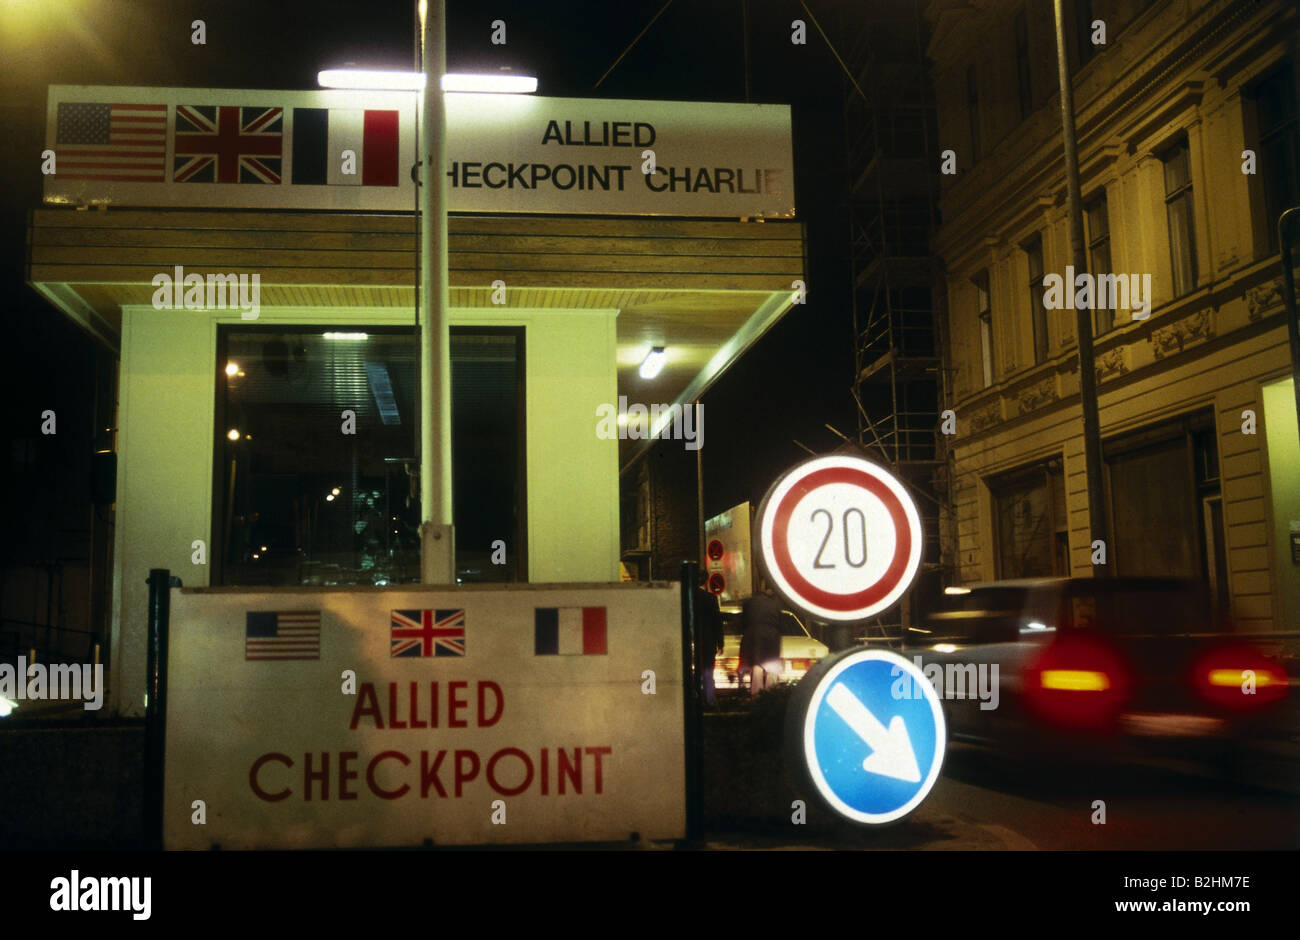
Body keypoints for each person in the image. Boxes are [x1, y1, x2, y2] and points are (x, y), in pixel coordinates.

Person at [740, 578, 783, 696]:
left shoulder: (748, 603)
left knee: (757, 665)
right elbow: (780, 623)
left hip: (754, 635)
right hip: (772, 635)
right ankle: (771, 693)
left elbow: (743, 623)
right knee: (772, 665)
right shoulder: (775, 604)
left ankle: (756, 695)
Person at [695, 573, 725, 708]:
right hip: (707, 641)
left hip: (691, 641)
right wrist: (720, 642)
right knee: (707, 672)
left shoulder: (686, 598)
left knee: (693, 672)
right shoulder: (710, 599)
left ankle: (695, 700)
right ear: (706, 582)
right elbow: (717, 622)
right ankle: (709, 700)